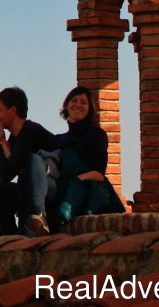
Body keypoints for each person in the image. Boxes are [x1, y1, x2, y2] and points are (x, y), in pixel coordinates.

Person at [0, 86, 58, 237]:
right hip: (25, 191)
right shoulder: (15, 137)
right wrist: (1, 144)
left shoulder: (30, 132)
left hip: (46, 194)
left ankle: (9, 237)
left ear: (12, 110)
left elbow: (7, 173)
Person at [52, 85, 125, 228]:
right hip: (65, 189)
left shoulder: (96, 135)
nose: (78, 105)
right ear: (66, 105)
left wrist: (76, 180)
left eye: (83, 102)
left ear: (89, 109)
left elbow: (99, 174)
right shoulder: (59, 140)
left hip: (89, 191)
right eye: (74, 100)